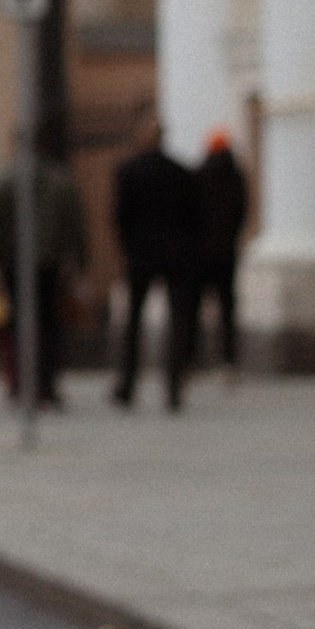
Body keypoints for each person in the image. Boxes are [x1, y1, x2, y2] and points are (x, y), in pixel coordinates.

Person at [0, 148, 89, 407]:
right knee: (49, 324)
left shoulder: (6, 178)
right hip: (48, 261)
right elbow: (75, 224)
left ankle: (21, 382)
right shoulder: (59, 179)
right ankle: (45, 384)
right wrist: (78, 260)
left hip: (14, 260)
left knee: (19, 322)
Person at [111, 119, 200, 410]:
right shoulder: (182, 173)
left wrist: (126, 248)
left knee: (133, 321)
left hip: (141, 254)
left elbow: (121, 217)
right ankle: (173, 388)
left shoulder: (128, 172)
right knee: (178, 322)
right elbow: (194, 217)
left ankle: (127, 385)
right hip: (177, 255)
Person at [193, 131, 250, 375]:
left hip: (202, 251)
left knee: (195, 307)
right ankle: (229, 360)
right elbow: (242, 211)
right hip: (227, 251)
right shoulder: (236, 177)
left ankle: (194, 358)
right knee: (227, 308)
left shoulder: (199, 174)